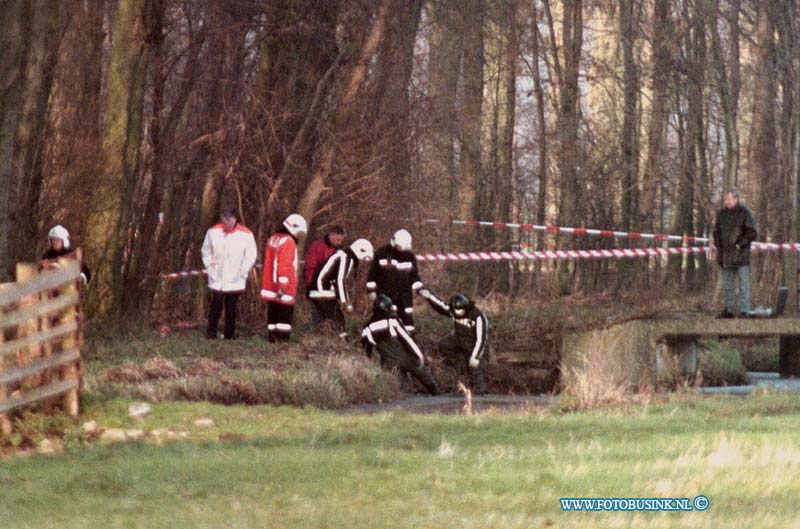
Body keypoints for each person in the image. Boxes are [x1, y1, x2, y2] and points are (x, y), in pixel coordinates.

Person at [361, 295, 441, 395]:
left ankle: (406, 398)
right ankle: (437, 393)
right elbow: (407, 339)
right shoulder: (392, 320)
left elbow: (366, 351)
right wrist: (419, 356)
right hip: (407, 358)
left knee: (402, 389)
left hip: (389, 363)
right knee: (423, 374)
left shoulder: (367, 328)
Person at [201, 208, 258, 339]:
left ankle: (229, 334)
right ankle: (211, 332)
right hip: (217, 277)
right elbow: (206, 251)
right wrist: (210, 267)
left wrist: (242, 271)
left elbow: (250, 255)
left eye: (228, 219)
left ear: (234, 220)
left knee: (231, 306)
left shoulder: (246, 234)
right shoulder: (213, 231)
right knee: (216, 304)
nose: (225, 222)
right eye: (223, 219)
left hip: (235, 278)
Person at [420, 290, 490, 394]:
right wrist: (429, 297)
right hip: (459, 338)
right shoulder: (452, 310)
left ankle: (480, 394)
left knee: (475, 371)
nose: (457, 314)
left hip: (474, 344)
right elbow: (440, 305)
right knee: (443, 345)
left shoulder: (478, 317)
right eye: (455, 311)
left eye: (460, 312)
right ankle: (459, 364)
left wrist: (475, 357)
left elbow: (481, 339)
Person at [308, 238, 374, 336]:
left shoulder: (343, 255)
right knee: (338, 322)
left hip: (316, 290)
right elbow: (340, 280)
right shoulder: (345, 257)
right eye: (364, 258)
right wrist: (345, 301)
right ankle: (340, 343)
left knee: (321, 323)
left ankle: (319, 342)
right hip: (323, 291)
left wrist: (341, 298)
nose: (363, 261)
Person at [366, 229, 424, 333]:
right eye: (399, 246)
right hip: (385, 295)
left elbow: (414, 276)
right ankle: (370, 339)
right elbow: (372, 275)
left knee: (407, 323)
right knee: (381, 320)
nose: (401, 249)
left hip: (404, 297)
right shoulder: (381, 253)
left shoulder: (409, 256)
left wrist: (420, 290)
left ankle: (409, 341)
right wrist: (372, 292)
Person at [261, 213, 307, 341]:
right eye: (300, 233)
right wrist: (283, 286)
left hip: (270, 284)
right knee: (284, 315)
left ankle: (272, 339)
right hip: (285, 286)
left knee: (273, 312)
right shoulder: (289, 242)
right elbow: (284, 265)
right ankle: (282, 341)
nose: (299, 236)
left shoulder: (273, 239)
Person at [713, 188, 757, 318]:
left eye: (729, 199)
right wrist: (718, 245)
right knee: (727, 285)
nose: (727, 201)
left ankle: (745, 311)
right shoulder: (721, 214)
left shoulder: (745, 212)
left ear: (736, 199)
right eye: (726, 199)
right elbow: (716, 232)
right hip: (725, 255)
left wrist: (740, 243)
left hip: (741, 255)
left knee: (744, 284)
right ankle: (729, 310)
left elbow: (752, 233)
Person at [304, 226, 346, 325]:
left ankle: (329, 335)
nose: (339, 242)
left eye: (341, 240)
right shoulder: (318, 246)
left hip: (329, 288)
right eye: (337, 239)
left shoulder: (338, 250)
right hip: (315, 285)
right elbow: (310, 266)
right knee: (318, 316)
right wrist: (311, 284)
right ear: (331, 235)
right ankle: (319, 334)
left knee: (333, 315)